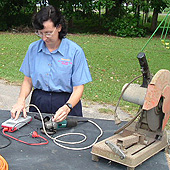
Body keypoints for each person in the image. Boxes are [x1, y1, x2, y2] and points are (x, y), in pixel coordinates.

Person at [11, 5, 92, 123]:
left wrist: (67, 107)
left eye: (48, 33)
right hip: (39, 102)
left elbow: (78, 87)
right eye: (40, 33)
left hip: (66, 103)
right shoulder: (33, 49)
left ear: (59, 27)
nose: (44, 38)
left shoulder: (75, 52)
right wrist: (20, 100)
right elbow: (28, 81)